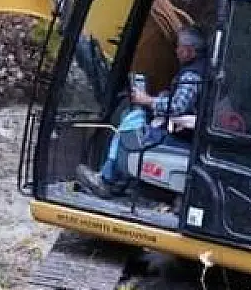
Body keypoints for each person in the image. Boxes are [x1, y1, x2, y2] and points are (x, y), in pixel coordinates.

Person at [76, 27, 208, 198]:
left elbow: (177, 106)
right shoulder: (203, 69)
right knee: (132, 119)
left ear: (189, 51)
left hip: (184, 137)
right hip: (188, 132)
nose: (176, 51)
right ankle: (118, 180)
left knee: (132, 126)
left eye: (179, 47)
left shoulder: (192, 75)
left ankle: (107, 180)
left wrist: (147, 100)